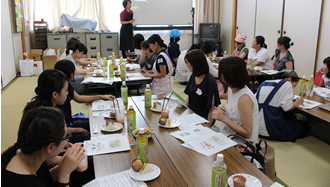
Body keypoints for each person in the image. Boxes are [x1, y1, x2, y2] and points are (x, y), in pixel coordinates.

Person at [2, 107, 85, 186]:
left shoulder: (28, 152)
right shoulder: (22, 182)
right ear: (50, 147)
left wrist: (63, 166)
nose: (66, 141)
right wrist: (64, 175)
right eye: (65, 137)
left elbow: (45, 180)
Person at [54, 60, 116, 143]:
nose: (67, 93)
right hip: (63, 134)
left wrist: (101, 97)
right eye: (65, 91)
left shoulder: (64, 86)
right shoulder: (51, 107)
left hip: (68, 125)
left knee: (95, 124)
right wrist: (81, 130)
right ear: (71, 75)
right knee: (89, 138)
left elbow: (79, 99)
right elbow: (59, 131)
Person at [23, 69, 90, 144]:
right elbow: (46, 149)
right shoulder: (46, 115)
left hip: (53, 146)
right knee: (88, 140)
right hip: (47, 151)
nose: (67, 93)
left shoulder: (41, 105)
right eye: (65, 91)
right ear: (54, 94)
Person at [212, 57, 259, 142]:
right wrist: (223, 111)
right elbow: (234, 113)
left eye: (223, 72)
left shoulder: (244, 98)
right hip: (227, 133)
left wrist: (223, 118)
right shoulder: (231, 88)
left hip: (241, 141)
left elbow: (247, 133)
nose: (220, 75)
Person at [256, 69, 311, 141]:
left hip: (257, 129)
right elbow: (287, 107)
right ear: (289, 79)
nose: (292, 88)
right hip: (272, 130)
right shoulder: (286, 84)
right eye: (294, 86)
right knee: (306, 127)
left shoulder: (264, 83)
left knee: (291, 118)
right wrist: (297, 102)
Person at [184, 49, 220, 126]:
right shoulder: (193, 76)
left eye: (188, 63)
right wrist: (182, 111)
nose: (186, 65)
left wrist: (208, 126)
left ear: (195, 64)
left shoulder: (209, 81)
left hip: (204, 117)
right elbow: (189, 97)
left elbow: (212, 108)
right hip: (192, 113)